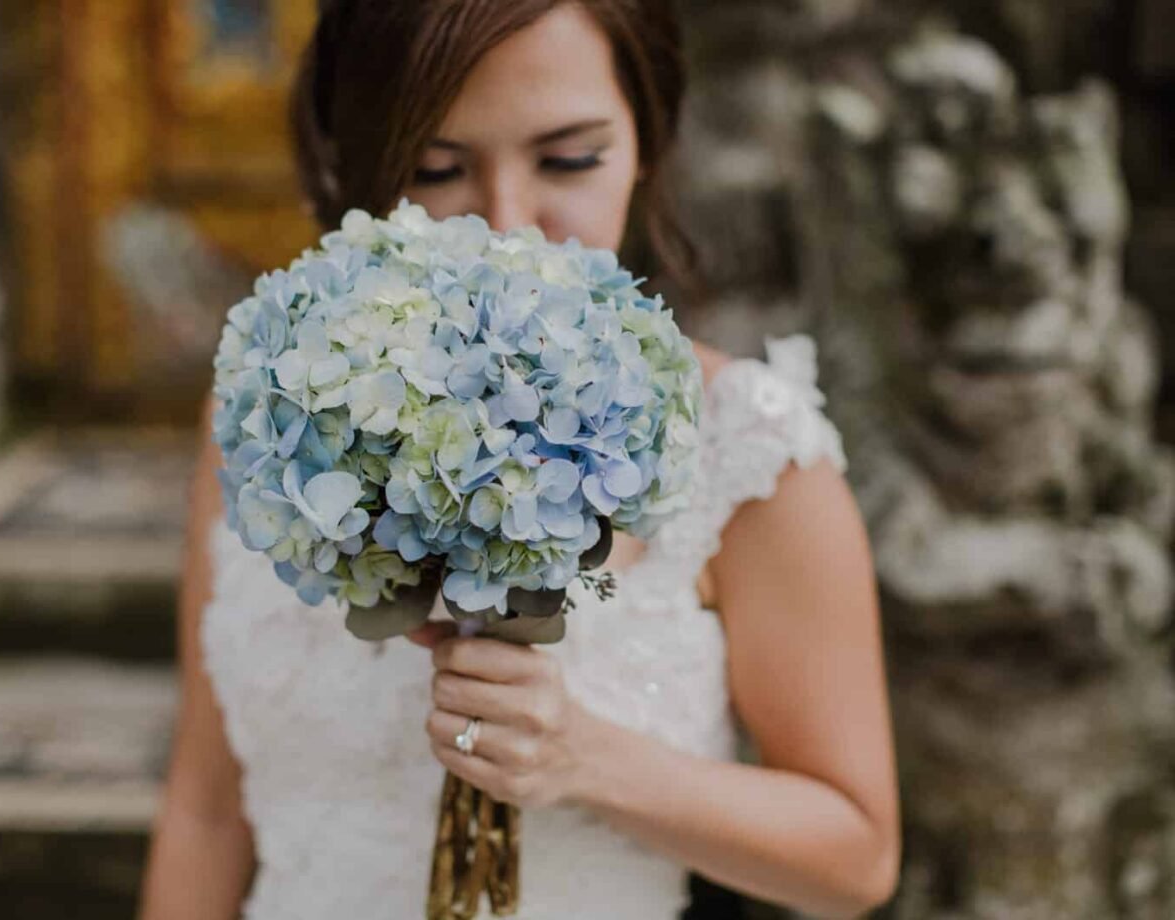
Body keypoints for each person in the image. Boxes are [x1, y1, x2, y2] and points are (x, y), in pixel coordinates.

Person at [138, 1, 901, 917]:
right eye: (435, 169)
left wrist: (585, 758)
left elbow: (856, 859)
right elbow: (207, 815)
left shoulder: (752, 450)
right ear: (359, 162)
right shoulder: (268, 420)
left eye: (569, 159)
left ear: (648, 142)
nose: (506, 224)